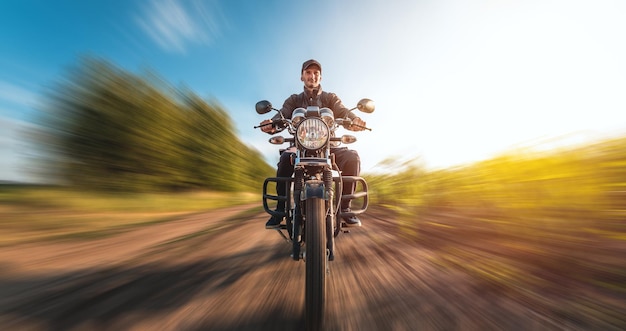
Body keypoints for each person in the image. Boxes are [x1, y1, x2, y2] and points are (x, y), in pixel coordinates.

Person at [259, 59, 367, 229]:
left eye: (316, 73)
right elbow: (283, 114)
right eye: (308, 72)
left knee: (352, 157)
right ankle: (280, 211)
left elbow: (342, 111)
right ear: (302, 76)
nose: (312, 76)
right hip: (300, 147)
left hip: (329, 146)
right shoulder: (294, 100)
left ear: (320, 77)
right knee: (285, 159)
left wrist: (354, 120)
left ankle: (345, 208)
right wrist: (271, 125)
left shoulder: (330, 98)